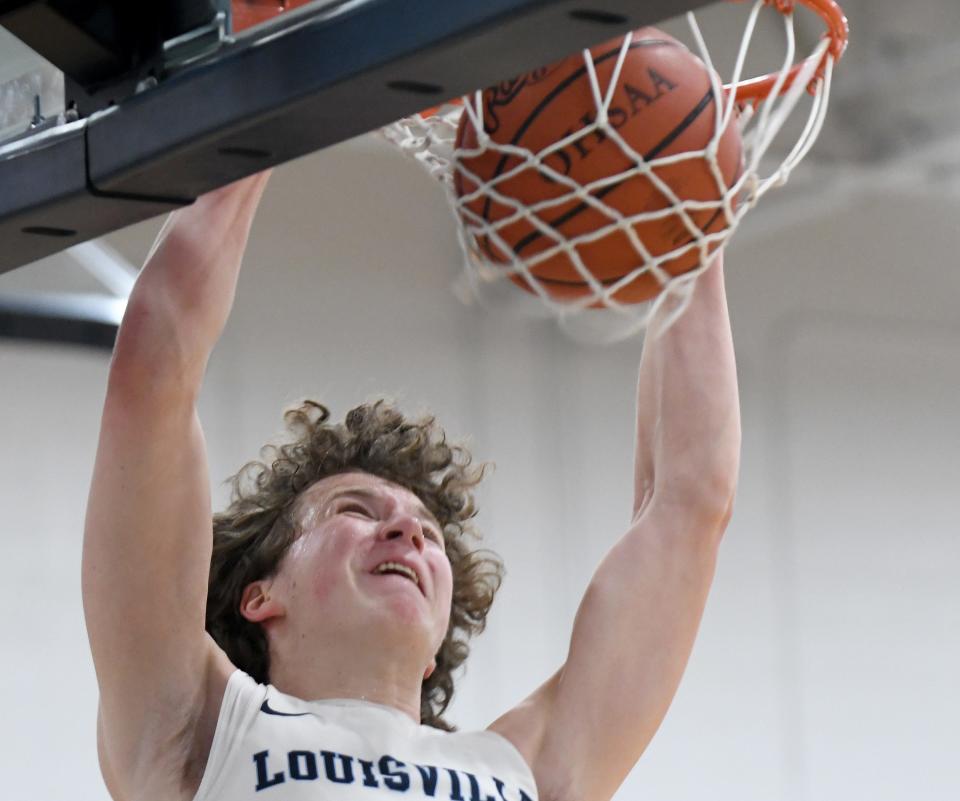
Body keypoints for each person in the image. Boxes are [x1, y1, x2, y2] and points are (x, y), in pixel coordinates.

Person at [83, 170, 740, 801]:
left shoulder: (521, 770)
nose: (407, 532)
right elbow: (154, 364)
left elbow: (689, 500)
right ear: (260, 594)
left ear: (434, 644)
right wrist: (263, 114)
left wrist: (693, 209)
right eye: (355, 510)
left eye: (428, 533)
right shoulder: (198, 724)